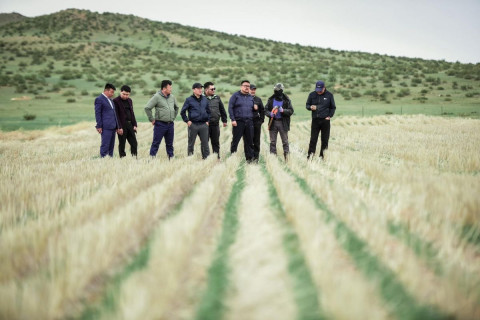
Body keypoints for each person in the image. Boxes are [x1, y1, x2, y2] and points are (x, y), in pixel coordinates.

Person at [144, 80, 179, 159]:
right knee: (156, 143)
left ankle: (171, 159)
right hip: (160, 124)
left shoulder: (172, 97)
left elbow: (176, 107)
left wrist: (173, 117)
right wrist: (152, 119)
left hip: (170, 124)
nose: (171, 89)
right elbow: (147, 108)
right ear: (164, 88)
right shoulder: (156, 97)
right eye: (170, 88)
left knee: (170, 144)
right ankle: (151, 159)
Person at [306, 80, 336, 159]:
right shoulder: (312, 94)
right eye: (317, 90)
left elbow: (333, 107)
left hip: (325, 120)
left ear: (324, 88)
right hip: (315, 120)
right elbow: (307, 105)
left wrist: (329, 116)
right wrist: (310, 107)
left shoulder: (329, 95)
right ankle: (310, 156)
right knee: (313, 139)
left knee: (325, 140)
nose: (318, 92)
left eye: (320, 90)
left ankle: (322, 157)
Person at [181, 83, 211, 159]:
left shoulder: (205, 99)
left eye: (201, 88)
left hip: (203, 125)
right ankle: (190, 159)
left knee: (205, 144)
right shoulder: (189, 100)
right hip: (193, 125)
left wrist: (208, 121)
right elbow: (182, 112)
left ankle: (206, 159)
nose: (200, 90)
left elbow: (209, 111)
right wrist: (187, 121)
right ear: (194, 90)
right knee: (191, 144)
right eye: (198, 88)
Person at [265, 83, 294, 161]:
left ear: (281, 90)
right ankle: (273, 159)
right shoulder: (271, 99)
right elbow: (265, 110)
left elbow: (291, 111)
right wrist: (270, 114)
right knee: (272, 142)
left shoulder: (286, 100)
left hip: (283, 123)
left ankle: (287, 159)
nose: (276, 91)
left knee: (285, 141)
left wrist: (283, 110)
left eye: (278, 90)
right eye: (275, 90)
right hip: (273, 122)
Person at [228, 80, 255, 162]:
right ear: (241, 86)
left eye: (248, 86)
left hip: (249, 122)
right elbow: (230, 108)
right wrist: (233, 119)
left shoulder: (251, 97)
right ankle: (233, 156)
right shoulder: (235, 96)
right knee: (236, 140)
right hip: (238, 121)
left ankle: (249, 159)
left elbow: (253, 109)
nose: (247, 87)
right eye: (245, 85)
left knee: (249, 141)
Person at [94, 83, 121, 157]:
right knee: (105, 145)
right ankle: (103, 162)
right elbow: (98, 113)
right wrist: (99, 126)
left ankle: (109, 162)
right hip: (105, 127)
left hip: (113, 127)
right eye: (111, 92)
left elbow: (115, 114)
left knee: (111, 147)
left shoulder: (111, 100)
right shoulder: (99, 99)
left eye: (113, 92)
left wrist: (117, 126)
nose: (112, 94)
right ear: (106, 90)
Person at [204, 81, 227, 159]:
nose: (214, 90)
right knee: (205, 142)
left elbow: (222, 109)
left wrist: (224, 120)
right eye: (212, 89)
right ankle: (205, 158)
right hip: (205, 124)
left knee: (216, 142)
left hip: (215, 124)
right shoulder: (201, 98)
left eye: (214, 89)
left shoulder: (217, 98)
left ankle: (216, 158)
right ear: (206, 90)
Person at [113, 85, 138, 158]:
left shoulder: (130, 101)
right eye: (124, 94)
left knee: (134, 143)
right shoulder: (115, 101)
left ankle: (134, 158)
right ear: (120, 92)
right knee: (122, 143)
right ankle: (122, 158)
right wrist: (119, 127)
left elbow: (132, 113)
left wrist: (135, 124)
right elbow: (116, 115)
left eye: (127, 94)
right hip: (122, 125)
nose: (125, 96)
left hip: (130, 124)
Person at [249, 83, 265, 162]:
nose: (253, 91)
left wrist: (261, 120)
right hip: (248, 122)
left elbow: (262, 110)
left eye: (254, 89)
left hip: (256, 122)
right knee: (249, 140)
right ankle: (250, 157)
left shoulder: (258, 99)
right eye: (251, 89)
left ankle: (256, 157)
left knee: (256, 140)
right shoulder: (245, 99)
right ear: (248, 90)